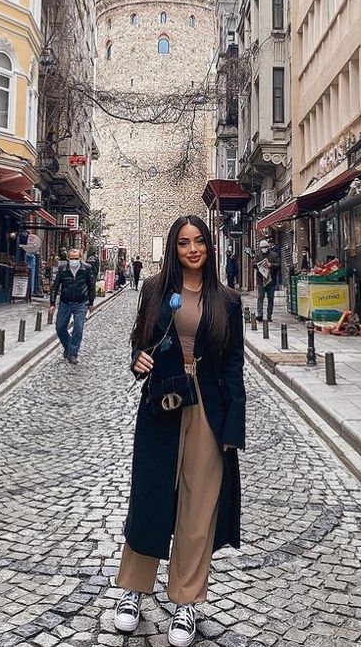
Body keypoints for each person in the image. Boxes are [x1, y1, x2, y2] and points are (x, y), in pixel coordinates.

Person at [113, 215, 245, 646]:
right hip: (163, 404)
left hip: (207, 407)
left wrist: (233, 425)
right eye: (184, 243)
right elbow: (140, 340)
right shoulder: (155, 290)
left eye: (199, 242)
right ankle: (133, 590)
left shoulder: (226, 300)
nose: (193, 249)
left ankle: (186, 600)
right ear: (174, 248)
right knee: (150, 494)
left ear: (209, 247)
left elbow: (234, 367)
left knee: (198, 507)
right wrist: (138, 359)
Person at [48, 248, 95, 365]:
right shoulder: (62, 269)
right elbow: (55, 286)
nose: (74, 260)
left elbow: (91, 286)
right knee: (60, 327)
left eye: (76, 258)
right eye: (72, 258)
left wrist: (91, 303)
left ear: (80, 258)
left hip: (81, 303)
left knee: (78, 328)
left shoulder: (86, 269)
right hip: (65, 302)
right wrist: (52, 304)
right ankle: (69, 347)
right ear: (68, 259)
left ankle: (73, 354)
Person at [254, 238, 279, 322]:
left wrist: (271, 265)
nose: (264, 249)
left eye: (265, 247)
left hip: (271, 280)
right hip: (261, 280)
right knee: (260, 297)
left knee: (270, 299)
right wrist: (259, 265)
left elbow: (278, 264)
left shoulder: (274, 255)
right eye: (262, 247)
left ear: (268, 247)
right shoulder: (258, 255)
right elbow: (253, 264)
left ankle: (269, 315)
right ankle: (260, 314)